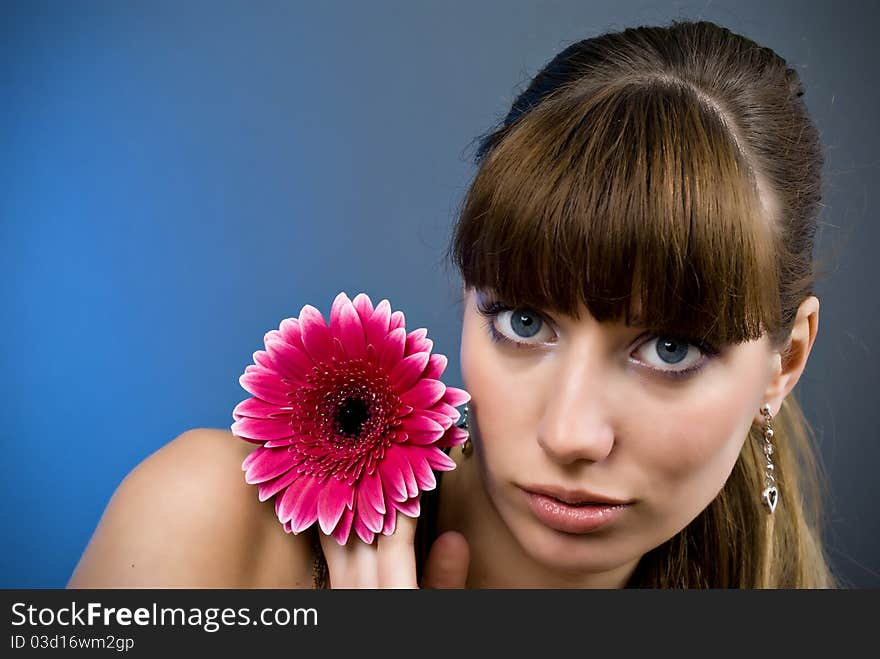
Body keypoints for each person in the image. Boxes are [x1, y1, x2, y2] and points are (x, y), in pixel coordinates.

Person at [67, 18, 838, 589]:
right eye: (525, 322)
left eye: (670, 348)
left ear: (785, 362)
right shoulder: (212, 529)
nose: (570, 433)